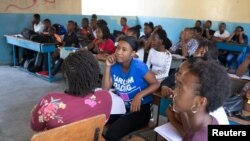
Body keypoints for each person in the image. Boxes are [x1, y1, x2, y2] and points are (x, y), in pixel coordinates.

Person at [31, 51, 112, 131]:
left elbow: (35, 127)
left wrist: (34, 111)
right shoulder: (106, 97)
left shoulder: (49, 101)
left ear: (66, 76)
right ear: (96, 73)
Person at [102, 36, 160, 141]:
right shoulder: (114, 66)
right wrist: (107, 66)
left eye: (124, 50)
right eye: (118, 48)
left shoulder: (139, 66)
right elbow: (105, 89)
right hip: (121, 107)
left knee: (112, 133)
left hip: (140, 110)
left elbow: (155, 84)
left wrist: (139, 95)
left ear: (132, 53)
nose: (119, 52)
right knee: (99, 121)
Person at [167, 57, 230, 141]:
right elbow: (188, 134)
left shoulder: (199, 137)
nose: (174, 92)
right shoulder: (209, 120)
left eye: (180, 87)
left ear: (200, 102)